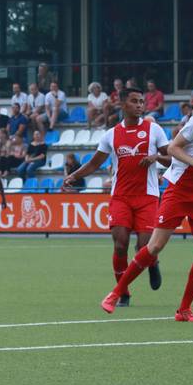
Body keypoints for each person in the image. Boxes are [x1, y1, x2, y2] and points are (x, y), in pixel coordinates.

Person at [98, 81, 193, 322]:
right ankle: (116, 293)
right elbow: (173, 149)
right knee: (155, 246)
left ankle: (184, 310)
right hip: (179, 190)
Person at [64, 87, 171, 307]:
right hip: (121, 196)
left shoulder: (155, 130)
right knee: (120, 245)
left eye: (142, 101)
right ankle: (124, 293)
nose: (140, 105)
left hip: (147, 196)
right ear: (123, 105)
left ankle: (152, 262)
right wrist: (73, 175)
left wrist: (156, 157)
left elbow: (172, 159)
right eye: (135, 101)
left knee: (144, 247)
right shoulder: (111, 134)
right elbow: (95, 163)